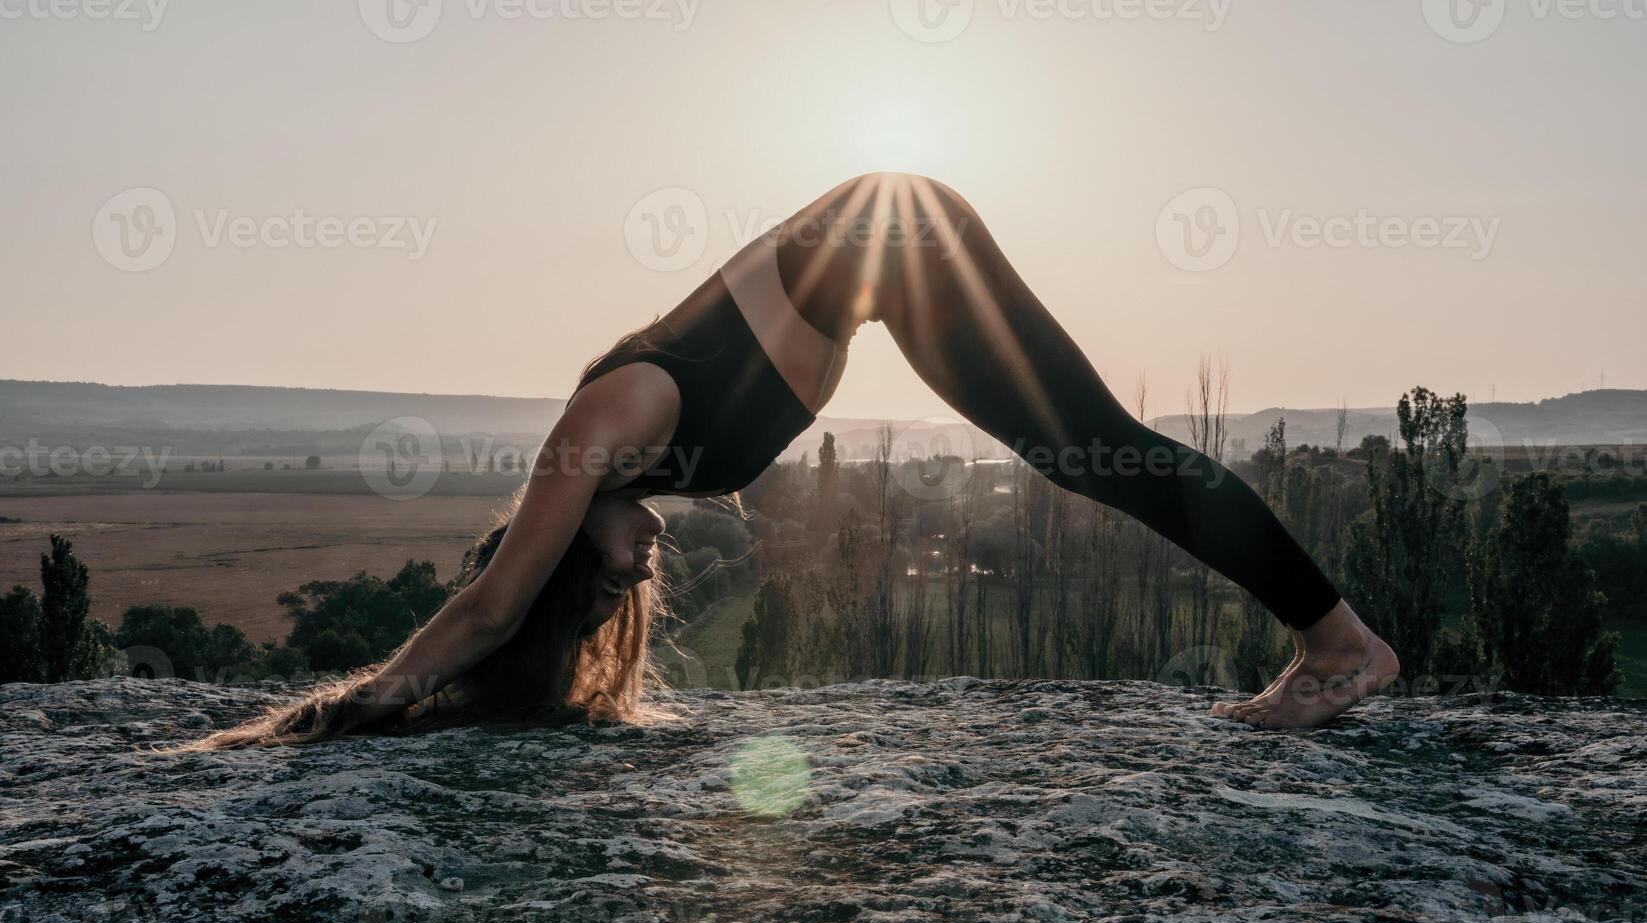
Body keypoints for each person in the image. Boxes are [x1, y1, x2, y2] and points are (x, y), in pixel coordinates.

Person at [190, 172, 1397, 749]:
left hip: (901, 241)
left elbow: (496, 600)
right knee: (1100, 460)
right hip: (899, 261)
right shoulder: (645, 460)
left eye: (603, 579)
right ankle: (1333, 638)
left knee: (1104, 458)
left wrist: (374, 691)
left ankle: (1338, 643)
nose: (636, 573)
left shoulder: (595, 431)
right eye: (624, 594)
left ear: (561, 541)